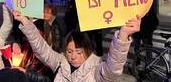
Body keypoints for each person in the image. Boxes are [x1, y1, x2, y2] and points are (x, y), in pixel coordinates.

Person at [13, 10, 141, 81]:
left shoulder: (97, 70)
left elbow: (113, 69)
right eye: (69, 51)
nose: (73, 56)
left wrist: (123, 35)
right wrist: (25, 21)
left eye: (78, 52)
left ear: (88, 50)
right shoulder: (59, 62)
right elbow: (41, 48)